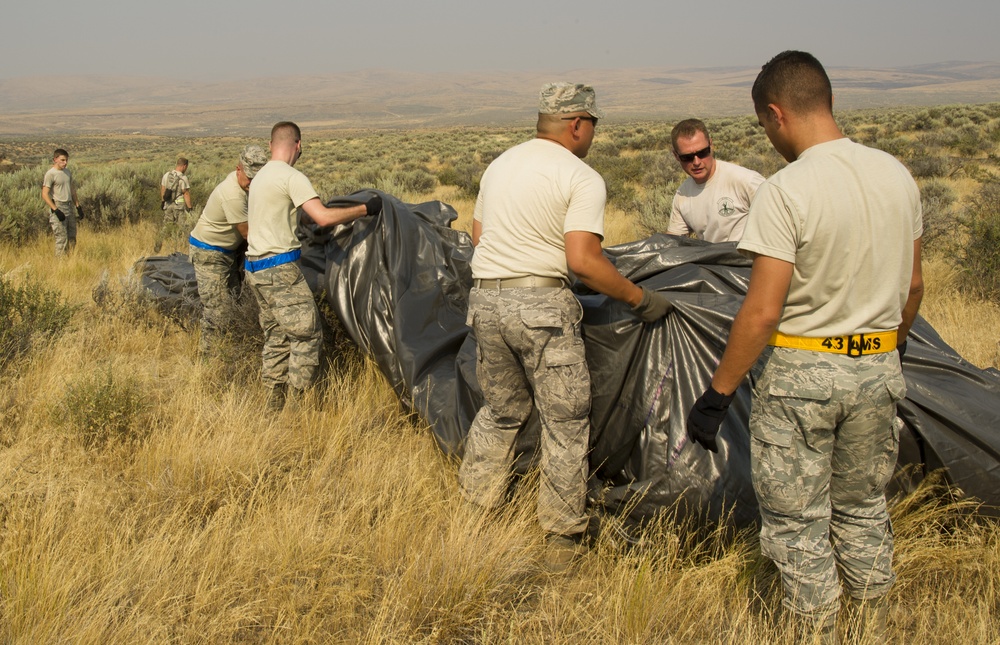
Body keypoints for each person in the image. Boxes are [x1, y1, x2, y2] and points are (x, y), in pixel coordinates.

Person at [685, 51, 923, 641]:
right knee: (865, 510)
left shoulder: (787, 190)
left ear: (775, 114)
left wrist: (718, 395)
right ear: (831, 101)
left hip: (802, 379)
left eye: (766, 127)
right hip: (877, 368)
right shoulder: (896, 173)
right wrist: (882, 350)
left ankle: (814, 631)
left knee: (797, 524)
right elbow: (914, 285)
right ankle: (871, 627)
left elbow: (762, 311)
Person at [458, 83, 672, 570]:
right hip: (540, 308)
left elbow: (479, 235)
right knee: (565, 421)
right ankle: (561, 539)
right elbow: (585, 262)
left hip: (485, 301)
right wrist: (642, 300)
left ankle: (475, 508)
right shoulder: (581, 176)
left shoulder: (500, 165)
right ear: (577, 123)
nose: (593, 134)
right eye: (592, 124)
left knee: (501, 410)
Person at [245, 121, 381, 411]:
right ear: (298, 145)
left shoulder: (261, 177)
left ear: (270, 145)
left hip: (255, 270)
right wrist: (365, 209)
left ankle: (272, 405)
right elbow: (321, 218)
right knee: (307, 337)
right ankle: (297, 410)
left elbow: (295, 216)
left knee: (277, 338)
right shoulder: (291, 176)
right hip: (279, 270)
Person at [188, 144, 269, 359]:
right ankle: (207, 359)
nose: (253, 183)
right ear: (238, 169)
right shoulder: (232, 194)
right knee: (217, 310)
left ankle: (229, 348)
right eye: (249, 177)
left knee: (234, 300)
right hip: (209, 254)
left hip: (228, 253)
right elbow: (248, 234)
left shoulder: (245, 186)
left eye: (257, 178)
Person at [666, 119, 765, 243]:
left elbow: (781, 223)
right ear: (676, 156)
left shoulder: (745, 181)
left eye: (702, 153)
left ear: (711, 145)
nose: (696, 162)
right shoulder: (683, 194)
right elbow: (673, 242)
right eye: (687, 157)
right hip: (711, 261)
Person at [41, 148, 84, 256]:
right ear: (55, 159)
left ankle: (71, 261)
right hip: (59, 206)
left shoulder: (67, 172)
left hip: (70, 207)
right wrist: (56, 210)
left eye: (66, 160)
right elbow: (44, 194)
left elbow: (72, 190)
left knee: (72, 237)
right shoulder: (51, 174)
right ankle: (60, 265)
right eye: (62, 160)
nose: (65, 163)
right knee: (62, 239)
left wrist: (78, 206)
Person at [156, 156, 193, 253]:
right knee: (182, 226)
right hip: (179, 206)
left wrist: (163, 202)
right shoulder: (183, 178)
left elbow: (163, 189)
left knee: (166, 225)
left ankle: (159, 242)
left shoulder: (167, 175)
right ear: (184, 166)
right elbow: (186, 193)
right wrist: (190, 208)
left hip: (168, 205)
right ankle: (184, 247)